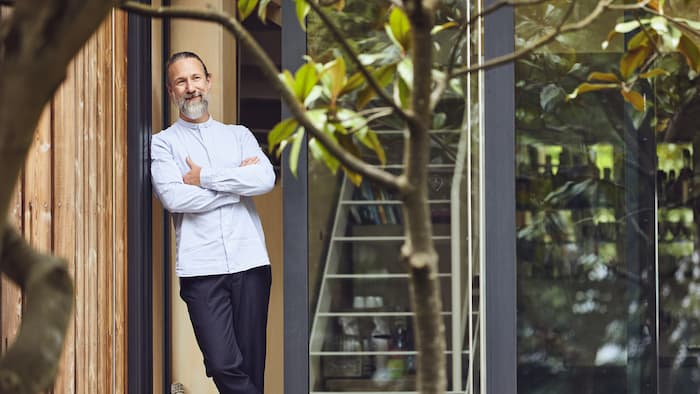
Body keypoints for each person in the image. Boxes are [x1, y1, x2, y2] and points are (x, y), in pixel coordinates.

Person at [151, 51, 275, 394]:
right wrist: (236, 185)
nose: (190, 88)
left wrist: (204, 177)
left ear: (208, 82)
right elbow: (174, 198)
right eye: (180, 81)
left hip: (250, 262)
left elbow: (263, 179)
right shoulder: (163, 144)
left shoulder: (239, 135)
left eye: (195, 78)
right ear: (171, 90)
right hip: (200, 269)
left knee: (251, 365)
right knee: (222, 363)